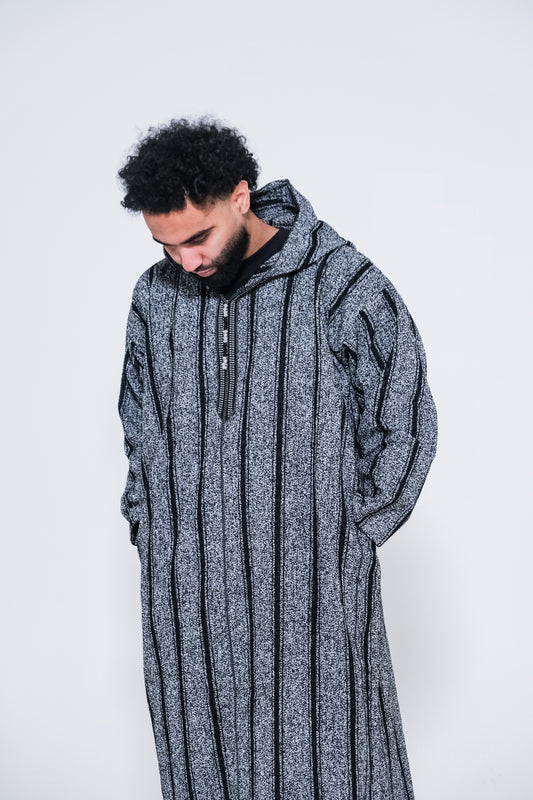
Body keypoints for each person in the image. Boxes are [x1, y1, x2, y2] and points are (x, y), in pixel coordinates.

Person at [117, 117, 438, 800]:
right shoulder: (154, 299)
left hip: (308, 587)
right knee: (203, 767)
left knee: (333, 764)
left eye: (197, 238)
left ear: (240, 197)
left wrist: (349, 533)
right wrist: (153, 530)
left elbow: (404, 416)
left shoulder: (340, 283)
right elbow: (138, 425)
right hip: (188, 593)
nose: (186, 261)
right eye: (166, 245)